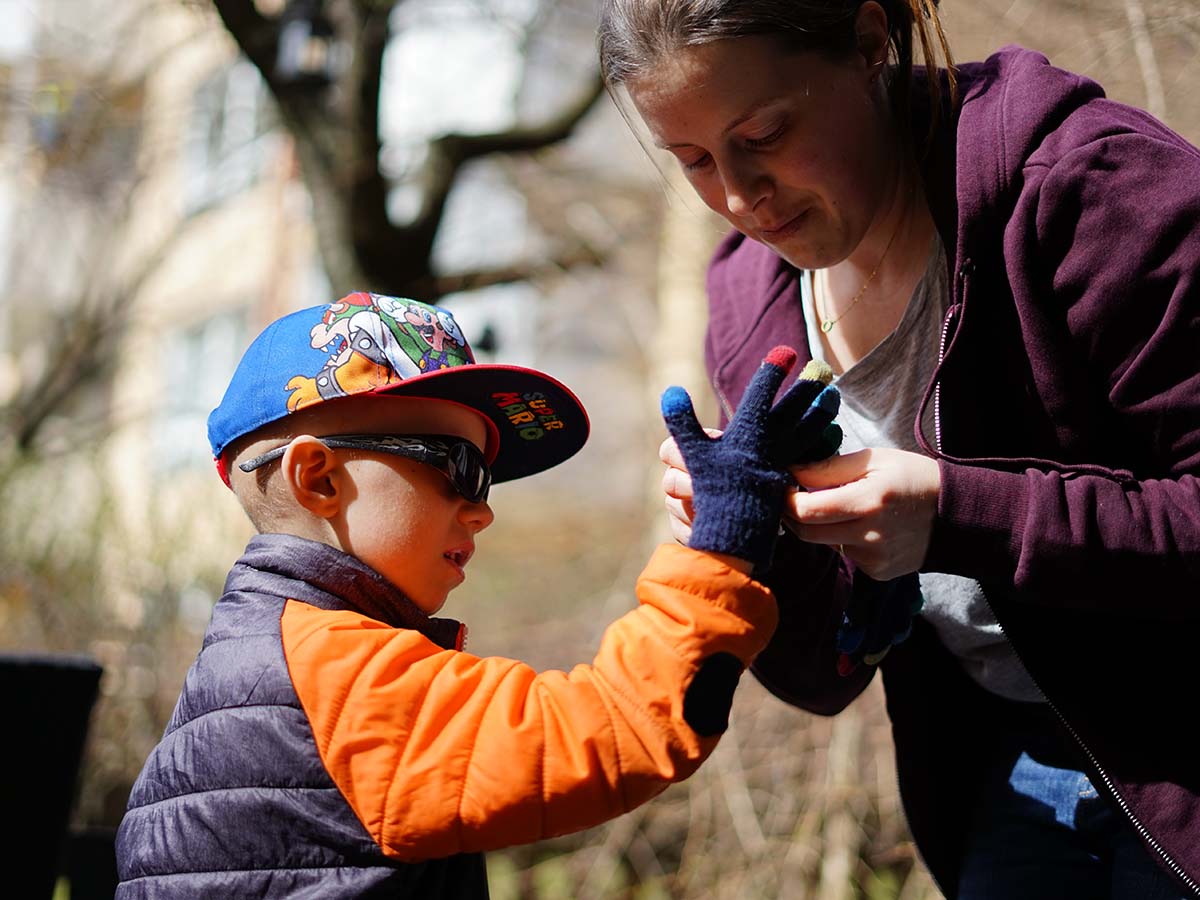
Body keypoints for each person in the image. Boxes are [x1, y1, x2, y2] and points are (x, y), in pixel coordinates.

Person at [598, 0, 1200, 897]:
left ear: (871, 41)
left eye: (763, 133)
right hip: (995, 772)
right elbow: (820, 674)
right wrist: (749, 537)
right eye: (691, 161)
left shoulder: (1093, 189)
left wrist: (958, 515)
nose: (737, 195)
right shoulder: (750, 295)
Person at [114, 290, 840, 898]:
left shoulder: (256, 662)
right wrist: (726, 537)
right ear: (319, 479)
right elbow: (615, 728)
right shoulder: (332, 677)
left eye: (486, 480)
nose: (482, 509)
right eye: (457, 467)